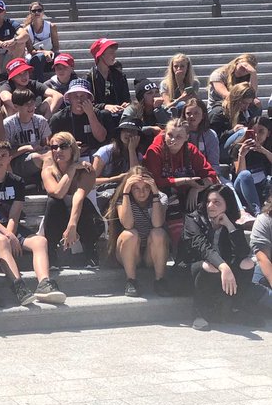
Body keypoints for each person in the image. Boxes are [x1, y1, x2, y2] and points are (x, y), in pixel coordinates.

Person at [0, 141, 66, 306]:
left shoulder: (17, 181)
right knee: (2, 241)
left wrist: (11, 233)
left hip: (10, 226)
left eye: (3, 156)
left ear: (9, 158)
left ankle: (44, 284)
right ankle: (18, 286)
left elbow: (14, 214)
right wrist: (8, 235)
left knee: (40, 241)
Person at [182, 186, 259, 331]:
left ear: (227, 204)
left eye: (216, 202)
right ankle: (199, 313)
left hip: (220, 271)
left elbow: (243, 252)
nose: (210, 206)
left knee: (247, 263)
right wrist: (223, 266)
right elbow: (203, 248)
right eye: (208, 201)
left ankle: (235, 308)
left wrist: (229, 226)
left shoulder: (230, 220)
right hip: (192, 269)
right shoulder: (193, 219)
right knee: (209, 265)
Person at [143, 119, 217, 248]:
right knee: (171, 196)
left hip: (189, 192)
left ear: (187, 137)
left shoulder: (191, 150)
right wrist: (184, 181)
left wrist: (196, 189)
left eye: (179, 137)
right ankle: (178, 247)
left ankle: (211, 239)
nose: (173, 140)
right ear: (164, 133)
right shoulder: (155, 151)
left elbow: (211, 175)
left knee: (215, 193)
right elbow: (155, 181)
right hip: (163, 193)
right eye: (170, 135)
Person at [40, 132, 105, 268]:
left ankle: (91, 253)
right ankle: (51, 254)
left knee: (84, 204)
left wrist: (72, 225)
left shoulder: (87, 170)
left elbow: (78, 196)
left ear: (73, 149)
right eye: (54, 147)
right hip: (58, 216)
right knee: (53, 202)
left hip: (82, 215)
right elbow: (58, 193)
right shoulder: (48, 171)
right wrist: (72, 169)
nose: (58, 150)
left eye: (63, 146)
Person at [105, 166, 171, 297]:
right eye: (136, 188)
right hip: (129, 252)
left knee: (158, 233)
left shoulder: (160, 197)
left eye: (146, 188)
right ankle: (131, 281)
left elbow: (157, 223)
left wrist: (155, 194)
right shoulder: (122, 198)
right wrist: (125, 193)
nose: (142, 193)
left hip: (150, 253)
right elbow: (128, 224)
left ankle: (160, 280)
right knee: (130, 234)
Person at [49, 78, 108, 163]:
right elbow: (51, 144)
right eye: (75, 96)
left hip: (92, 154)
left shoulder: (96, 113)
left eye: (82, 96)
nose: (79, 100)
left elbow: (101, 138)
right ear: (69, 98)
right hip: (67, 155)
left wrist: (90, 114)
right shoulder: (58, 118)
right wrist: (70, 147)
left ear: (89, 98)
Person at [91, 119, 143, 211]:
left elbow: (136, 177)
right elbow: (91, 180)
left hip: (127, 190)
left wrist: (131, 150)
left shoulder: (137, 155)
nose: (128, 134)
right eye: (125, 130)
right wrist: (115, 178)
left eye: (132, 131)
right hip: (104, 191)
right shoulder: (105, 151)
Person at [2, 89, 51, 186]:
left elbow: (46, 144)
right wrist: (26, 148)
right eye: (26, 104)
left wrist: (45, 147)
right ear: (16, 106)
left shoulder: (41, 121)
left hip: (38, 157)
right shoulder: (8, 124)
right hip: (15, 161)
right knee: (40, 157)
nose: (30, 106)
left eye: (32, 102)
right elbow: (4, 155)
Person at [230, 119, 272, 216]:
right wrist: (242, 155)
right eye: (253, 132)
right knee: (245, 174)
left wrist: (265, 152)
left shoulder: (268, 148)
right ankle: (257, 212)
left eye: (261, 132)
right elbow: (240, 173)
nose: (256, 135)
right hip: (244, 186)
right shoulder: (238, 148)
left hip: (263, 186)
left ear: (268, 134)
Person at [87, 39, 130, 117]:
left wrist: (125, 105)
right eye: (111, 53)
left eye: (114, 53)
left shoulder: (120, 76)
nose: (114, 56)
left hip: (119, 117)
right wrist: (105, 106)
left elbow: (126, 99)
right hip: (99, 118)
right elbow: (87, 104)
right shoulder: (89, 78)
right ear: (101, 55)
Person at [182, 96, 221, 174]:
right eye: (188, 113)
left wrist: (210, 176)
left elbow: (214, 164)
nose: (192, 116)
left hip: (205, 172)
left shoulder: (211, 135)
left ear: (203, 115)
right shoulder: (178, 133)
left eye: (196, 113)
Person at [22, 2, 60, 79]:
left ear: (43, 12)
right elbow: (30, 50)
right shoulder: (26, 30)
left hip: (50, 57)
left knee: (61, 58)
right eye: (34, 11)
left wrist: (50, 54)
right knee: (40, 57)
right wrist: (44, 52)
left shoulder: (51, 26)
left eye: (39, 10)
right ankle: (39, 82)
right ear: (30, 13)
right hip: (35, 59)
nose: (37, 12)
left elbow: (56, 46)